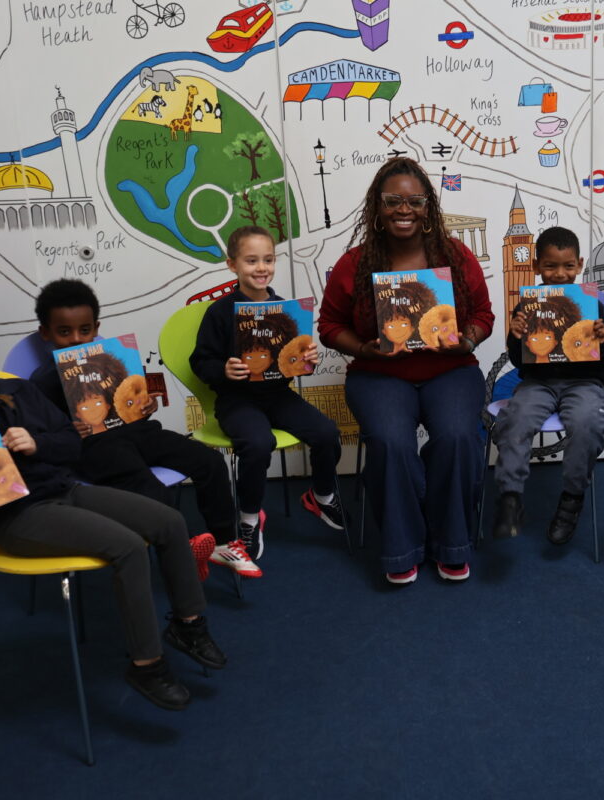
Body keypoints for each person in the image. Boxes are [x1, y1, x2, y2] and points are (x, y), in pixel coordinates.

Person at [0, 304, 225, 711]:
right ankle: (147, 665)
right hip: (16, 517)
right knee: (128, 546)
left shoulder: (18, 390)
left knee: (169, 521)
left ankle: (188, 624)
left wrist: (37, 443)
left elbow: (71, 443)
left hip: (65, 489)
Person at [318, 157, 494, 585]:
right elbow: (329, 327)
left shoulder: (456, 256)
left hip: (450, 369)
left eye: (414, 201)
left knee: (458, 436)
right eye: (393, 201)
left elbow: (484, 315)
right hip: (379, 374)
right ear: (377, 207)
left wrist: (468, 340)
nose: (404, 210)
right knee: (390, 442)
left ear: (427, 206)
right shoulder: (354, 264)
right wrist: (364, 348)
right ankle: (402, 546)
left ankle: (451, 543)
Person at [30, 279, 249, 580]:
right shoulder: (42, 381)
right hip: (95, 448)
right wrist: (68, 431)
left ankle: (224, 542)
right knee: (146, 484)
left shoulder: (113, 362)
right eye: (64, 332)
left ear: (96, 328)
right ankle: (183, 548)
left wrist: (146, 406)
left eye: (85, 330)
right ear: (46, 333)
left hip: (139, 433)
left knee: (209, 461)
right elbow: (42, 434)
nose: (77, 339)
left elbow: (132, 402)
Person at [191, 225, 345, 568]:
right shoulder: (220, 311)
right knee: (258, 443)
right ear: (232, 265)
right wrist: (223, 369)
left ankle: (321, 495)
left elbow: (293, 360)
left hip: (278, 395)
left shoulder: (283, 309)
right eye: (251, 261)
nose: (261, 268)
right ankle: (249, 518)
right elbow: (200, 362)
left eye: (268, 259)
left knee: (327, 433)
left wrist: (307, 359)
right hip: (236, 400)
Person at [491, 226, 604, 545]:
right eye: (550, 266)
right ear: (536, 266)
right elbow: (519, 361)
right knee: (516, 419)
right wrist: (515, 337)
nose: (560, 274)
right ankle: (510, 497)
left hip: (585, 383)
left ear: (580, 264)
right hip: (538, 383)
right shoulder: (527, 306)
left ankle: (572, 499)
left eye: (568, 266)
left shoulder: (593, 305)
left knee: (587, 423)